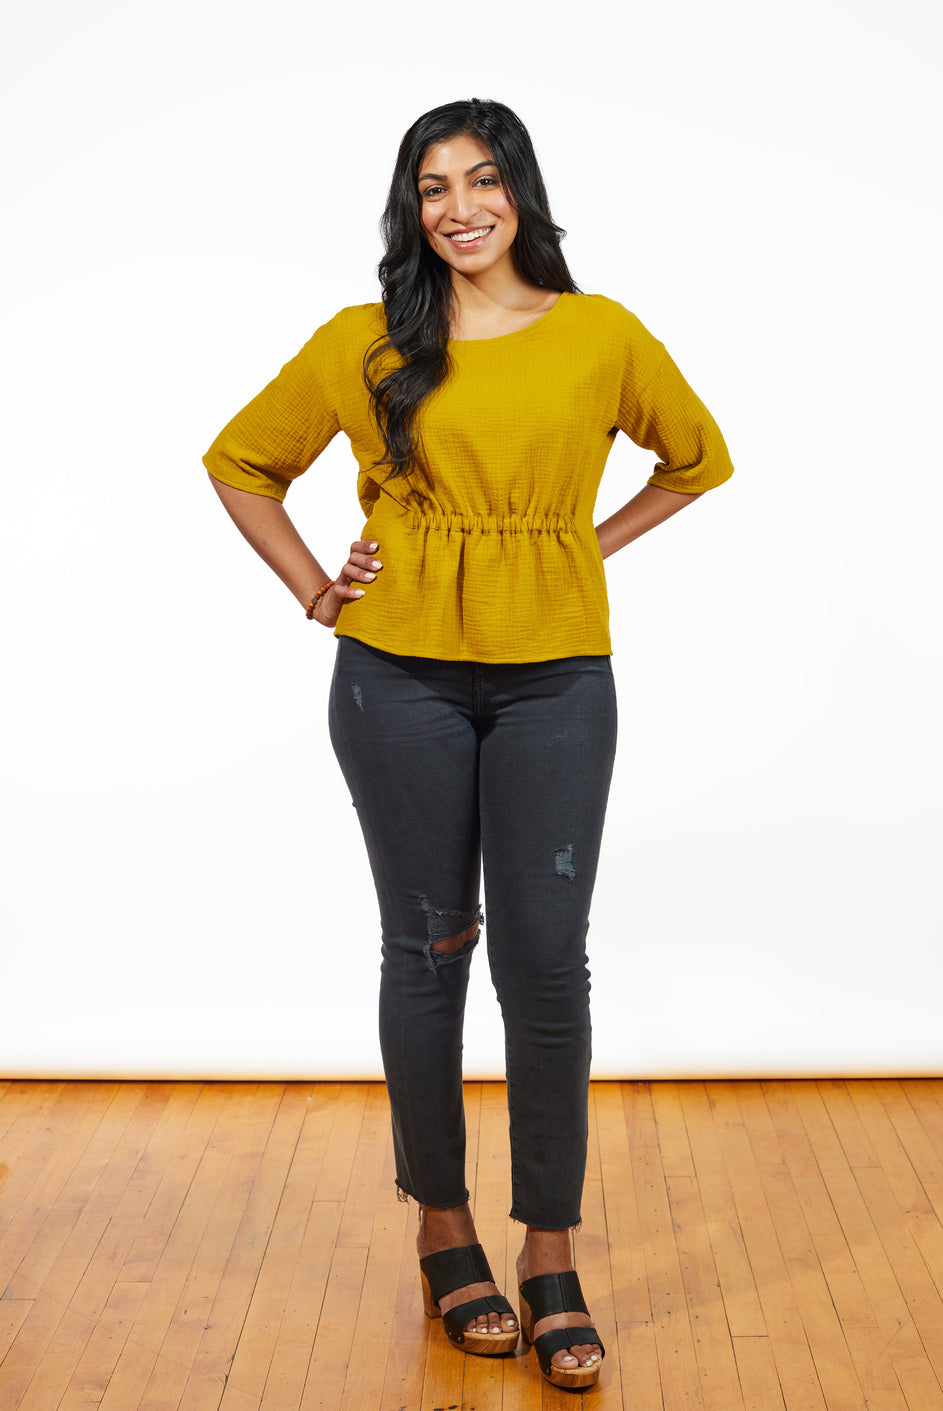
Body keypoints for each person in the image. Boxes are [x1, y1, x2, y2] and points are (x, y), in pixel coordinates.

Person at [204, 97, 733, 1392]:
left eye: (482, 180)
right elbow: (239, 463)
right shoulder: (367, 341)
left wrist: (577, 546)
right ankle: (444, 1231)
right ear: (412, 208)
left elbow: (696, 457)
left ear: (520, 192)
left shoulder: (601, 334)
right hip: (397, 679)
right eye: (432, 186)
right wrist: (318, 592)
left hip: (556, 677)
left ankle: (550, 1250)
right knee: (430, 949)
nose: (459, 207)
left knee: (546, 965)